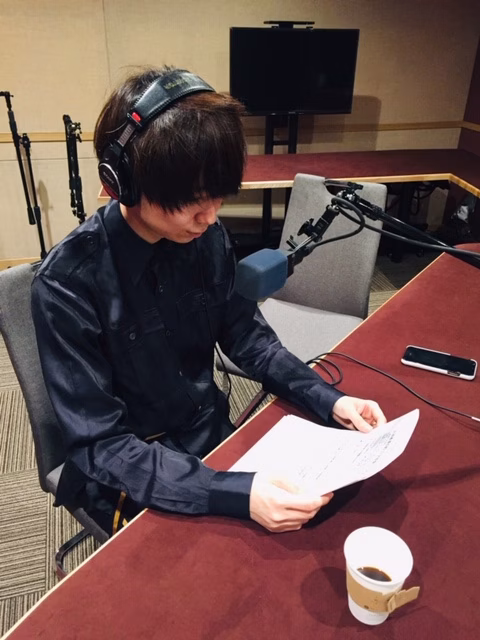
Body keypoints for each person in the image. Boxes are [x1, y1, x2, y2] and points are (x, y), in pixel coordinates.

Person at [31, 66, 386, 536]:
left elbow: (248, 337)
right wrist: (234, 493)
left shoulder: (206, 238)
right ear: (125, 182)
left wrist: (328, 399)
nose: (211, 216)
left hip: (210, 437)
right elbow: (102, 445)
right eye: (193, 200)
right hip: (128, 474)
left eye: (218, 196)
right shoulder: (66, 286)